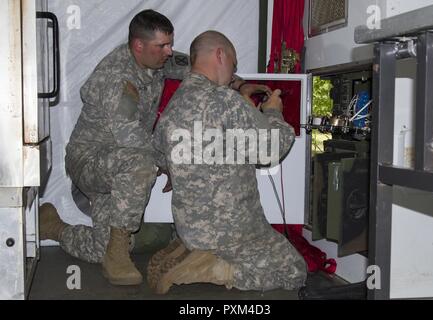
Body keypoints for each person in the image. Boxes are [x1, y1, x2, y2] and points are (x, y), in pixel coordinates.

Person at [39, 9, 192, 286]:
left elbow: (192, 64)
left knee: (100, 249)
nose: (169, 51)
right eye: (163, 46)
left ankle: (54, 227)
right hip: (91, 160)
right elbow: (130, 137)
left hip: (120, 164)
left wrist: (231, 79)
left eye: (170, 44)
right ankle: (118, 251)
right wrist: (168, 162)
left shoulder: (153, 58)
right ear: (138, 45)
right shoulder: (116, 77)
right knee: (141, 163)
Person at [151, 30, 307, 294]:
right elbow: (271, 150)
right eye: (233, 64)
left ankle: (190, 247)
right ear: (220, 55)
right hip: (234, 231)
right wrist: (273, 113)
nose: (233, 71)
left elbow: (158, 154)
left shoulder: (173, 106)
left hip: (190, 226)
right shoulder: (225, 102)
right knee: (294, 271)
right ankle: (214, 269)